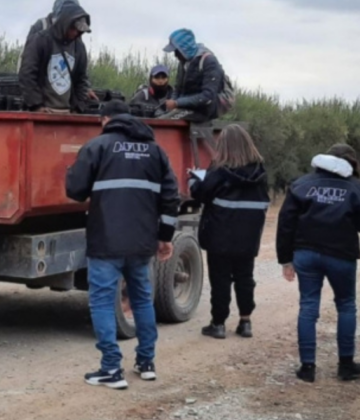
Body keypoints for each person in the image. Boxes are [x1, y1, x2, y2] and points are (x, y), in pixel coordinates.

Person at [66, 101, 180, 389]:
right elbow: (171, 197)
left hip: (106, 240)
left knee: (103, 300)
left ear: (105, 119)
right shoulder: (156, 151)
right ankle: (146, 362)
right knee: (142, 299)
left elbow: (75, 191)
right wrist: (165, 236)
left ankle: (110, 369)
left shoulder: (97, 146)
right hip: (142, 242)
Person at [276, 144, 360, 383]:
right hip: (341, 255)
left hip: (306, 254)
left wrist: (285, 259)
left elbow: (286, 223)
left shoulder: (301, 184)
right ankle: (345, 365)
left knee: (308, 307)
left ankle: (307, 368)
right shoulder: (356, 188)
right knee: (346, 305)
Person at [188, 125, 269, 339]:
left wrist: (194, 180)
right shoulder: (260, 172)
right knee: (245, 277)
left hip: (220, 234)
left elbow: (200, 194)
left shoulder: (218, 171)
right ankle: (245, 322)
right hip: (248, 235)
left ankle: (218, 324)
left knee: (220, 279)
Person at [19, 0, 92, 114]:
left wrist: (78, 108)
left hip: (68, 114)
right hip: (42, 112)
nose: (75, 33)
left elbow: (82, 80)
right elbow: (27, 74)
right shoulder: (40, 40)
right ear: (65, 23)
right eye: (73, 28)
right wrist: (36, 106)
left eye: (79, 31)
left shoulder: (79, 47)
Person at [159, 28, 225, 123]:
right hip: (186, 108)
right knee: (160, 118)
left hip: (204, 110)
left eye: (176, 51)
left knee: (164, 122)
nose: (175, 55)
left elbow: (207, 97)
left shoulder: (209, 61)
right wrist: (172, 103)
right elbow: (178, 88)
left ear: (183, 48)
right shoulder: (183, 63)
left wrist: (177, 103)